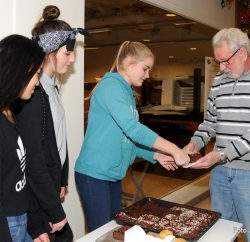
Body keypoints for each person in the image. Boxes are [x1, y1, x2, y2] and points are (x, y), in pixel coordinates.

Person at [75, 41, 190, 232]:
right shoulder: (110, 87)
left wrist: (155, 155)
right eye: (145, 69)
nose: (147, 75)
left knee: (113, 229)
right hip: (94, 173)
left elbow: (126, 138)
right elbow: (133, 129)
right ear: (129, 62)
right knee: (100, 233)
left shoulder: (127, 92)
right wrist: (173, 149)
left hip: (112, 174)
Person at [14, 5, 89, 242]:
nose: (73, 59)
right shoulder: (33, 95)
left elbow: (57, 139)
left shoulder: (51, 88)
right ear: (49, 52)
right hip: (35, 199)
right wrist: (50, 211)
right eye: (67, 53)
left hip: (49, 188)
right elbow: (33, 159)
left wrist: (62, 179)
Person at [183, 27, 250, 241]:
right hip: (220, 173)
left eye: (225, 61)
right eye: (217, 61)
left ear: (242, 53)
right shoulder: (219, 81)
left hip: (247, 175)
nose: (221, 68)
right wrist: (195, 143)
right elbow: (210, 122)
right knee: (220, 234)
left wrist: (221, 154)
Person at [0, 34, 45, 242]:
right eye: (37, 73)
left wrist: (36, 227)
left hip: (21, 220)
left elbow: (21, 175)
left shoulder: (11, 112)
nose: (38, 81)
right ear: (21, 71)